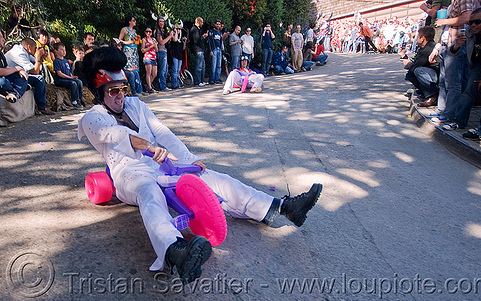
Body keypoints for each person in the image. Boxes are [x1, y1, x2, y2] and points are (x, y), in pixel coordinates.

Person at [78, 47, 322, 284]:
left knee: (210, 177)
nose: (120, 95)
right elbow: (115, 135)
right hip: (128, 174)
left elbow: (162, 132)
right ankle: (175, 251)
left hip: (159, 165)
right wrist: (149, 147)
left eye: (123, 88)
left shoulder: (136, 105)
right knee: (149, 193)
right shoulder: (92, 118)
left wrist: (188, 158)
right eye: (112, 91)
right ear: (99, 93)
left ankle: (280, 207)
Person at [442, 8, 481, 131]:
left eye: (477, 22)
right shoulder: (468, 32)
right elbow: (451, 54)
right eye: (470, 22)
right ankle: (459, 121)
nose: (473, 25)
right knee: (468, 91)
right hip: (480, 64)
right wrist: (457, 46)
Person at [5, 38, 54, 115]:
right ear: (29, 47)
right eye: (35, 48)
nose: (35, 50)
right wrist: (38, 56)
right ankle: (41, 107)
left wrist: (41, 56)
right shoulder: (18, 53)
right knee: (38, 78)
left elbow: (35, 62)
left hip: (18, 75)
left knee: (39, 78)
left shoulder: (25, 51)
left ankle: (42, 107)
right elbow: (35, 71)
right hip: (10, 77)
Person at [399, 26, 440, 107]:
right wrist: (404, 57)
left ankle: (433, 96)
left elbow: (416, 66)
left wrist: (407, 64)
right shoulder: (424, 47)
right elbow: (416, 63)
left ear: (423, 38)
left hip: (435, 75)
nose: (416, 39)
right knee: (410, 75)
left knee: (418, 71)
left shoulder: (428, 48)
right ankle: (424, 92)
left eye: (418, 36)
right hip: (430, 72)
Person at [53, 42, 84, 110]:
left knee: (79, 82)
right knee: (73, 84)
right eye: (61, 50)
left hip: (67, 78)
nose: (64, 51)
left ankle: (80, 98)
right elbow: (59, 73)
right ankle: (74, 101)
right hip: (60, 79)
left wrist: (72, 76)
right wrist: (70, 78)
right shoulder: (56, 61)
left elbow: (69, 72)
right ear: (56, 50)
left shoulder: (66, 61)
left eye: (64, 50)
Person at [0, 30, 28, 103]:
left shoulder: (0, 53)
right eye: (1, 37)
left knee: (22, 76)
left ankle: (14, 93)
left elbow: (6, 69)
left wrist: (19, 70)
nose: (3, 40)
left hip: (4, 78)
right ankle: (20, 88)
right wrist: (15, 68)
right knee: (3, 82)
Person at [154, 17, 173, 92]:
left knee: (165, 69)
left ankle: (163, 85)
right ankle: (162, 86)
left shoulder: (163, 31)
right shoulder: (157, 31)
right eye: (160, 22)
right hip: (160, 51)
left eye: (163, 22)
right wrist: (169, 36)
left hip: (165, 51)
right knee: (163, 70)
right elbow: (161, 42)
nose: (162, 23)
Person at [189, 17, 208, 87]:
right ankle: (197, 81)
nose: (202, 24)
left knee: (202, 66)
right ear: (198, 22)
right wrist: (203, 37)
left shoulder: (197, 29)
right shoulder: (194, 29)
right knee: (198, 67)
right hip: (197, 50)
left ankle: (201, 80)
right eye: (202, 22)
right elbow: (196, 40)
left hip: (201, 50)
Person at [141, 26, 158, 94]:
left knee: (154, 74)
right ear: (145, 32)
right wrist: (150, 47)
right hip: (147, 57)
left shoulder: (154, 39)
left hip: (154, 57)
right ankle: (150, 88)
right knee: (148, 72)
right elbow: (143, 50)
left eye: (149, 32)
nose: (148, 33)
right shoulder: (144, 39)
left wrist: (155, 46)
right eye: (147, 31)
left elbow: (156, 50)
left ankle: (148, 86)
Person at [170, 24, 186, 89]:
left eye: (179, 29)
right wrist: (175, 32)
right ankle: (174, 84)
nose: (178, 30)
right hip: (174, 55)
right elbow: (175, 40)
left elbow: (183, 48)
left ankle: (177, 83)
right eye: (177, 29)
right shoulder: (173, 36)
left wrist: (184, 43)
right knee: (175, 70)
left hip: (180, 56)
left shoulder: (181, 38)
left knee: (178, 71)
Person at [208, 20, 223, 84]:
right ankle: (211, 80)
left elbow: (221, 42)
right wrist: (210, 50)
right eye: (217, 24)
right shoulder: (211, 32)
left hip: (219, 49)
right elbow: (209, 42)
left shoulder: (220, 33)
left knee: (219, 66)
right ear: (215, 24)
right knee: (213, 66)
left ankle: (217, 79)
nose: (218, 25)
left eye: (219, 24)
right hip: (214, 49)